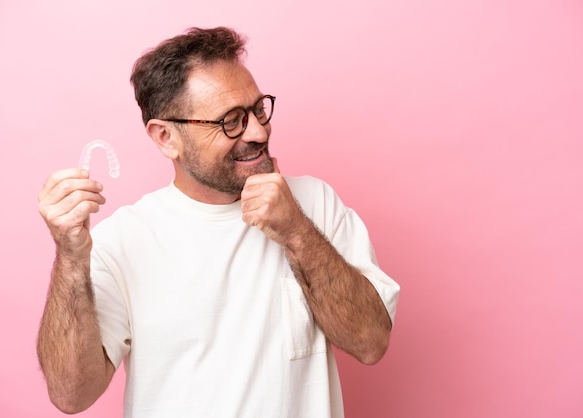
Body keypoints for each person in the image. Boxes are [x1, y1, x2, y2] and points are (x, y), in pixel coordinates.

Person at [37, 26, 400, 418]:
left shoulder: (315, 203)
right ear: (165, 137)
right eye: (231, 121)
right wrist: (71, 258)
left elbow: (370, 343)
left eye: (258, 109)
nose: (259, 132)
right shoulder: (122, 241)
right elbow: (71, 395)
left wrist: (296, 232)